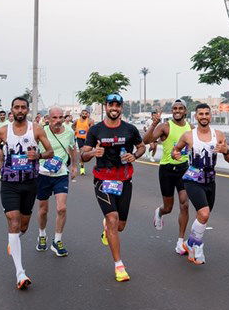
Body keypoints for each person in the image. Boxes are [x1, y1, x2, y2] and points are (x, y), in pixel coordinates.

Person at [0, 97, 54, 290]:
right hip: (9, 183)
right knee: (14, 221)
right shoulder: (3, 131)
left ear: (27, 110)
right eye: (16, 107)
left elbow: (50, 152)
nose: (20, 110)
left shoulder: (36, 129)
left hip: (30, 183)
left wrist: (38, 155)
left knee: (23, 226)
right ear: (11, 110)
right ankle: (20, 273)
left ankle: (14, 239)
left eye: (23, 107)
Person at [80, 94, 145, 283]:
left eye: (117, 105)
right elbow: (83, 155)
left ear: (121, 107)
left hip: (124, 179)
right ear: (105, 106)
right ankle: (119, 265)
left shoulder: (130, 129)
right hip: (103, 179)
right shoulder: (96, 130)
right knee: (112, 218)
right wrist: (94, 152)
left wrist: (135, 156)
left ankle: (107, 228)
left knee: (120, 226)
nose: (114, 108)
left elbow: (141, 147)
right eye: (111, 104)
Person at [171, 103, 229, 266]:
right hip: (193, 179)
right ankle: (197, 247)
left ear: (210, 116)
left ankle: (190, 243)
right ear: (196, 116)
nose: (204, 116)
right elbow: (175, 150)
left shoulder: (218, 135)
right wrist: (175, 154)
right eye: (201, 114)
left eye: (206, 114)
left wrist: (225, 151)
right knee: (204, 214)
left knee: (203, 217)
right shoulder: (188, 136)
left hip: (210, 181)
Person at [143, 100, 192, 256]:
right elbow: (146, 141)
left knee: (184, 204)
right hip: (167, 170)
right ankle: (160, 212)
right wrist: (154, 124)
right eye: (174, 108)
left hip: (184, 169)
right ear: (172, 111)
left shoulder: (190, 128)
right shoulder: (165, 127)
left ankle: (180, 242)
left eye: (180, 108)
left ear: (185, 111)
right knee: (168, 208)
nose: (177, 111)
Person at [36, 106, 77, 257]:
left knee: (61, 208)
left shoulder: (69, 132)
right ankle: (42, 235)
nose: (58, 120)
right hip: (43, 174)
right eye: (54, 117)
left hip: (61, 174)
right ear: (48, 118)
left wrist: (74, 166)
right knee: (43, 210)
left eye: (61, 117)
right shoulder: (41, 131)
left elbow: (73, 148)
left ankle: (57, 240)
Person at [74, 109, 93, 175]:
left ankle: (82, 161)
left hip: (87, 139)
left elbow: (92, 130)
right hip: (79, 139)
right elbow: (73, 126)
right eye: (83, 113)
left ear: (87, 114)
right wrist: (75, 131)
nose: (84, 115)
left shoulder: (90, 121)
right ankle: (82, 169)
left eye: (86, 114)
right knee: (81, 153)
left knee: (86, 154)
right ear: (81, 114)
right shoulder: (77, 121)